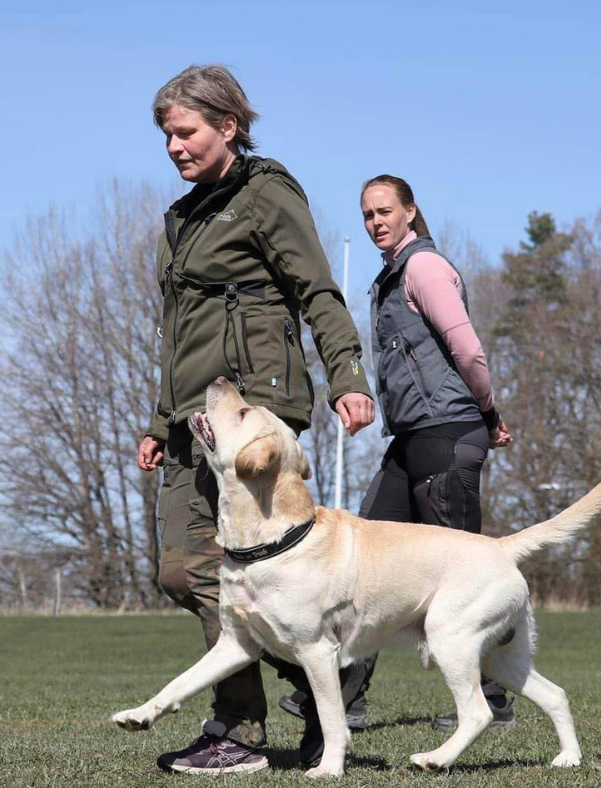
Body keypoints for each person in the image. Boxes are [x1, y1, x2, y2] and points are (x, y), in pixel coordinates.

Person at [136, 64, 375, 775]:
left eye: (186, 132)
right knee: (183, 572)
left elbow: (317, 291)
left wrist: (348, 376)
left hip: (255, 414)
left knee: (270, 571)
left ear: (228, 126)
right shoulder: (180, 219)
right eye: (167, 136)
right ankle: (315, 671)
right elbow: (178, 332)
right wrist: (158, 421)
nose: (174, 147)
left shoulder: (265, 193)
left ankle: (237, 731)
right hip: (192, 421)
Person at [279, 174, 515, 747]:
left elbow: (467, 348)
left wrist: (487, 411)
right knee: (365, 565)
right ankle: (347, 697)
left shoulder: (425, 268)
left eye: (385, 211)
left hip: (449, 432)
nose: (375, 222)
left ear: (411, 212)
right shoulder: (389, 277)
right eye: (367, 215)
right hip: (410, 438)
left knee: (464, 570)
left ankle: (496, 696)